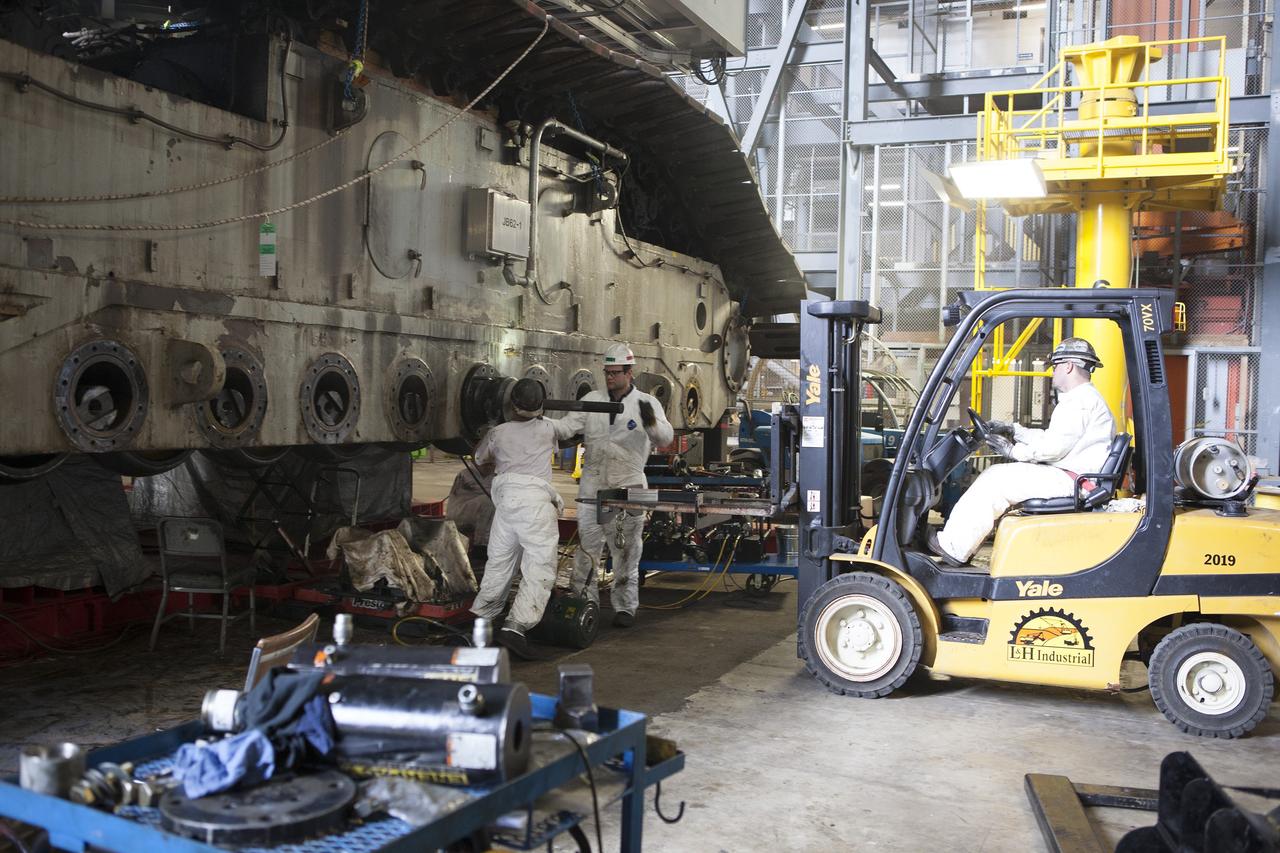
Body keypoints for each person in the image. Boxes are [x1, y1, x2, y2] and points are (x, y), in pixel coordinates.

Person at [928, 337, 1115, 566]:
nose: (1052, 371)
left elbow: (1053, 449)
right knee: (996, 475)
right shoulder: (1081, 399)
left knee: (995, 479)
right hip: (1070, 474)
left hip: (1072, 479)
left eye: (1055, 366)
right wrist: (1012, 430)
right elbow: (1051, 438)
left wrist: (1013, 450)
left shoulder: (1081, 402)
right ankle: (958, 544)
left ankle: (954, 548)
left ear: (1069, 366)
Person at [552, 344, 673, 627]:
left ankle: (625, 608)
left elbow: (664, 438)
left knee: (627, 552)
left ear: (630, 373)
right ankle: (586, 602)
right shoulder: (593, 399)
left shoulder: (646, 403)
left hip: (629, 485)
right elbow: (566, 427)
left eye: (615, 372)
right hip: (592, 488)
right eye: (606, 372)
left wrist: (651, 422)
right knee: (587, 552)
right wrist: (535, 419)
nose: (609, 377)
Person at [469, 378, 562, 660]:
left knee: (500, 562)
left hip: (506, 506)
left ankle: (482, 621)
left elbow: (479, 460)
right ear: (540, 405)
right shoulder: (547, 429)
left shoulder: (497, 432)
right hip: (534, 507)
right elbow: (566, 434)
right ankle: (515, 626)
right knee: (538, 566)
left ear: (512, 402)